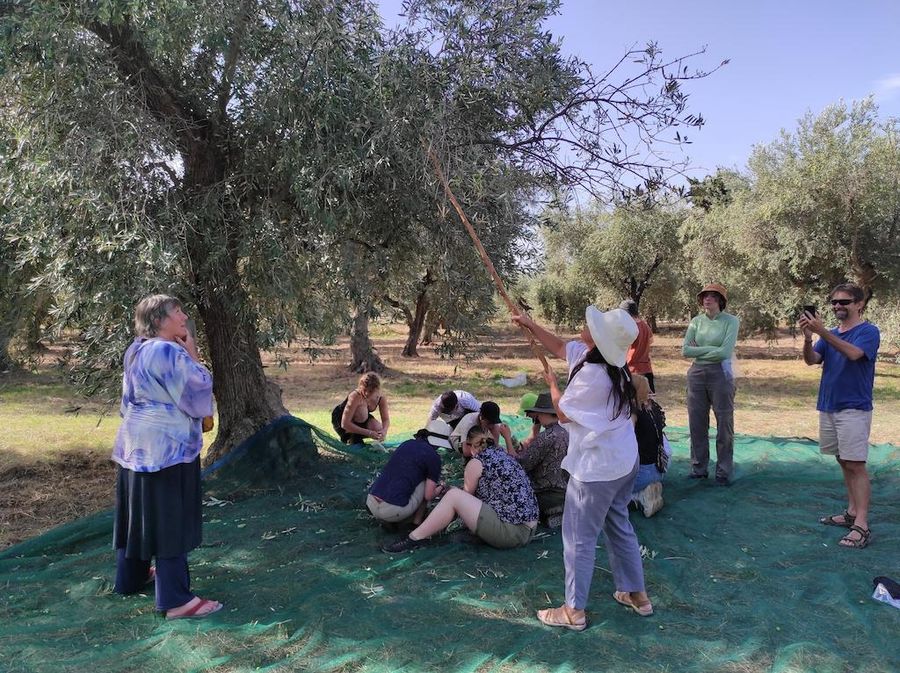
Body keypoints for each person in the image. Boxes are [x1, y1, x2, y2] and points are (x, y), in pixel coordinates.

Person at [513, 307, 653, 632]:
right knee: (618, 524)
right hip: (623, 460)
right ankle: (637, 595)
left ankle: (573, 611)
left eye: (595, 326)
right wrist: (530, 324)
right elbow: (561, 348)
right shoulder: (604, 361)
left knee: (578, 537)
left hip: (598, 469)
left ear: (600, 339)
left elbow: (562, 415)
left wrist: (551, 385)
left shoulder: (593, 374)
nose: (586, 326)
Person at [112, 294, 222, 620]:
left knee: (138, 513)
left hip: (134, 447)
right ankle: (176, 601)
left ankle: (130, 578)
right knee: (171, 519)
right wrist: (193, 353)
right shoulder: (169, 351)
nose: (185, 316)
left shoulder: (136, 349)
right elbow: (198, 392)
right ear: (161, 320)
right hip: (168, 450)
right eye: (178, 312)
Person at [799, 283, 880, 549]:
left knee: (856, 464)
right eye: (833, 302)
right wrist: (809, 338)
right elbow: (812, 360)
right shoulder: (830, 334)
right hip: (829, 406)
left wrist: (822, 331)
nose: (837, 307)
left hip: (854, 407)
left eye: (844, 302)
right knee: (843, 460)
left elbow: (855, 354)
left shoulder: (868, 332)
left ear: (859, 304)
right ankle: (851, 512)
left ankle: (862, 525)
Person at [381, 426, 539, 552]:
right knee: (455, 495)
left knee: (454, 496)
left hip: (512, 533)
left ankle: (414, 539)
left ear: (469, 445)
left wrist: (447, 493)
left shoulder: (476, 463)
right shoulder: (502, 454)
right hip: (528, 528)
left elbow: (462, 501)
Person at [682, 283, 740, 486]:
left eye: (713, 297)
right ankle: (699, 468)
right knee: (696, 423)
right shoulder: (696, 322)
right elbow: (685, 351)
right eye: (705, 296)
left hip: (720, 373)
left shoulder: (731, 321)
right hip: (696, 373)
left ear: (720, 301)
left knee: (724, 423)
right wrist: (711, 349)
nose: (708, 299)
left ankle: (723, 471)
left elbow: (725, 353)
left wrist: (701, 348)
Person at [366, 419, 453, 528]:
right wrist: (441, 487)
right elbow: (429, 495)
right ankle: (416, 522)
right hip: (392, 511)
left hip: (371, 502)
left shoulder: (406, 444)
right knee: (427, 483)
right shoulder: (434, 457)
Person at [515, 392, 569, 524]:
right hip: (565, 489)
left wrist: (510, 445)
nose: (537, 417)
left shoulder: (545, 437)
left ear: (545, 413)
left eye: (538, 414)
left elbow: (523, 465)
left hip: (544, 492)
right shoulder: (565, 433)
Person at [630, 374, 670, 518]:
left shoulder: (633, 412)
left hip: (643, 471)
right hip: (662, 465)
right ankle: (650, 486)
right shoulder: (654, 407)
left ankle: (638, 495)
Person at [331, 372, 390, 444]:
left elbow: (386, 419)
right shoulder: (355, 396)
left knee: (378, 427)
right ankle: (351, 438)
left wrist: (384, 431)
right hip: (341, 420)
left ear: (377, 389)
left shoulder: (381, 398)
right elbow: (345, 424)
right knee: (362, 414)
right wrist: (369, 433)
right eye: (365, 390)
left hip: (361, 419)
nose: (367, 393)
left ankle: (356, 438)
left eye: (371, 391)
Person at [449, 401, 514, 455]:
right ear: (481, 418)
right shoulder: (469, 423)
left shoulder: (491, 424)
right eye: (489, 423)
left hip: (478, 437)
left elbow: (495, 447)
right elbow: (466, 451)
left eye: (493, 423)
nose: (491, 426)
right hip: (458, 440)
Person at [620, 299, 655, 392]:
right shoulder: (645, 326)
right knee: (649, 403)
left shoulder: (629, 328)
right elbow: (651, 340)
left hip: (632, 370)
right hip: (647, 369)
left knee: (633, 404)